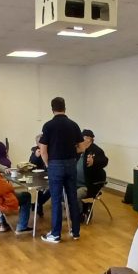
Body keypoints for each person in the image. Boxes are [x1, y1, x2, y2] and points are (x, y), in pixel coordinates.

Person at [38, 97, 84, 243]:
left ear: (52, 109)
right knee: (72, 198)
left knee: (56, 200)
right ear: (65, 108)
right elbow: (81, 147)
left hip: (55, 165)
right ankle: (75, 232)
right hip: (71, 165)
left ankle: (56, 234)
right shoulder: (73, 125)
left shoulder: (48, 126)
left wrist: (48, 164)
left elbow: (43, 150)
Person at [76, 129, 108, 221]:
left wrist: (94, 161)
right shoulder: (78, 149)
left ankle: (80, 214)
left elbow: (105, 161)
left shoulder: (96, 150)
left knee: (76, 195)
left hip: (88, 185)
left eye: (81, 138)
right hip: (75, 182)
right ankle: (84, 207)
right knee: (62, 192)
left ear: (88, 139)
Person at [28, 134, 50, 217]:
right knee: (40, 188)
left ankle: (38, 203)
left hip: (50, 174)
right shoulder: (35, 151)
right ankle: (39, 205)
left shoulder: (50, 149)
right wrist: (35, 157)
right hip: (39, 175)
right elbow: (30, 164)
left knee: (52, 188)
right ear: (37, 144)